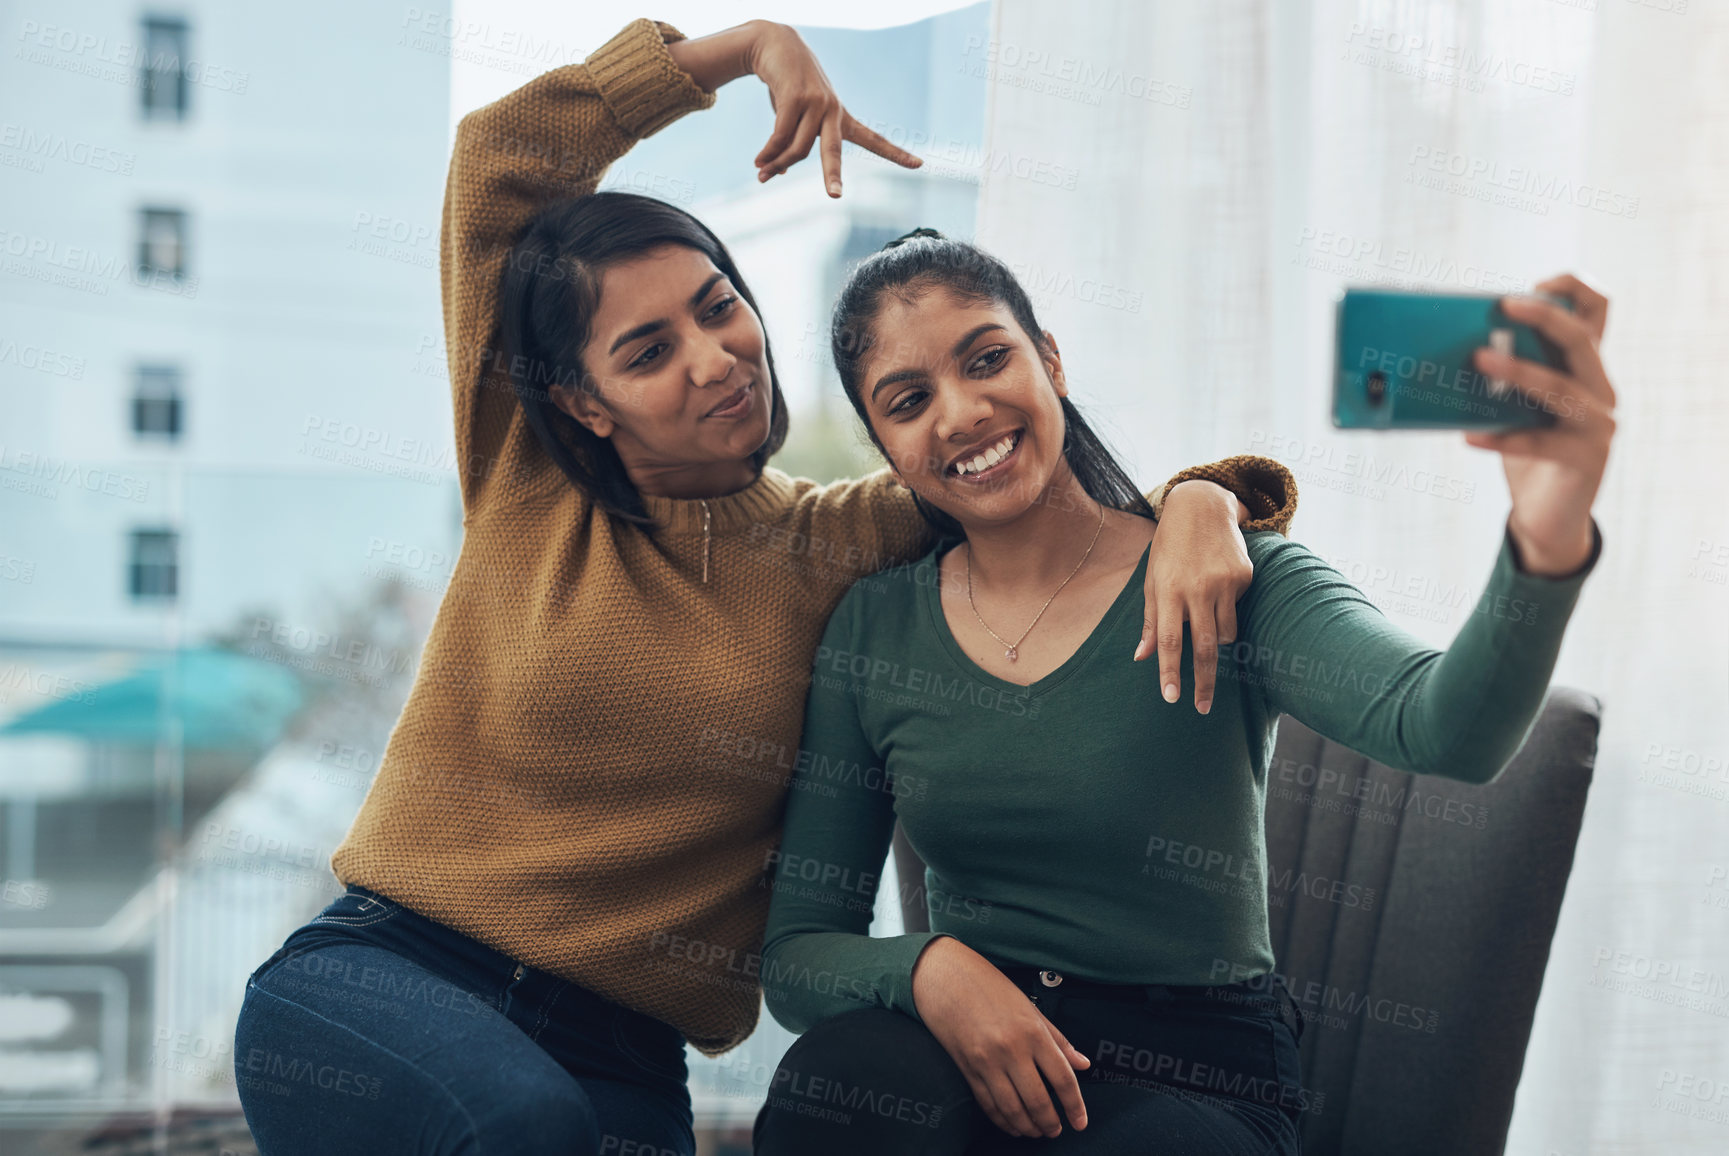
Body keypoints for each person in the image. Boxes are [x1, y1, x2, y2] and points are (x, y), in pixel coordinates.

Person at [230, 18, 1302, 1156]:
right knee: (521, 1127)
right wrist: (743, 51)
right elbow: (499, 162)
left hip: (622, 1049)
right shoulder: (528, 480)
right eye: (645, 352)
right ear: (585, 401)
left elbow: (1031, 474)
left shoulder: (842, 540)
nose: (712, 356)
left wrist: (1205, 496)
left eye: (716, 304)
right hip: (391, 973)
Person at [754, 230, 1613, 1154]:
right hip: (976, 1052)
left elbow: (1448, 731)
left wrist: (1548, 522)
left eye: (988, 358)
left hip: (1194, 1078)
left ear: (1049, 360)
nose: (960, 412)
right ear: (881, 441)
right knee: (835, 1087)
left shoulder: (1231, 573)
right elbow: (799, 957)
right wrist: (930, 970)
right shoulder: (873, 630)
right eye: (909, 400)